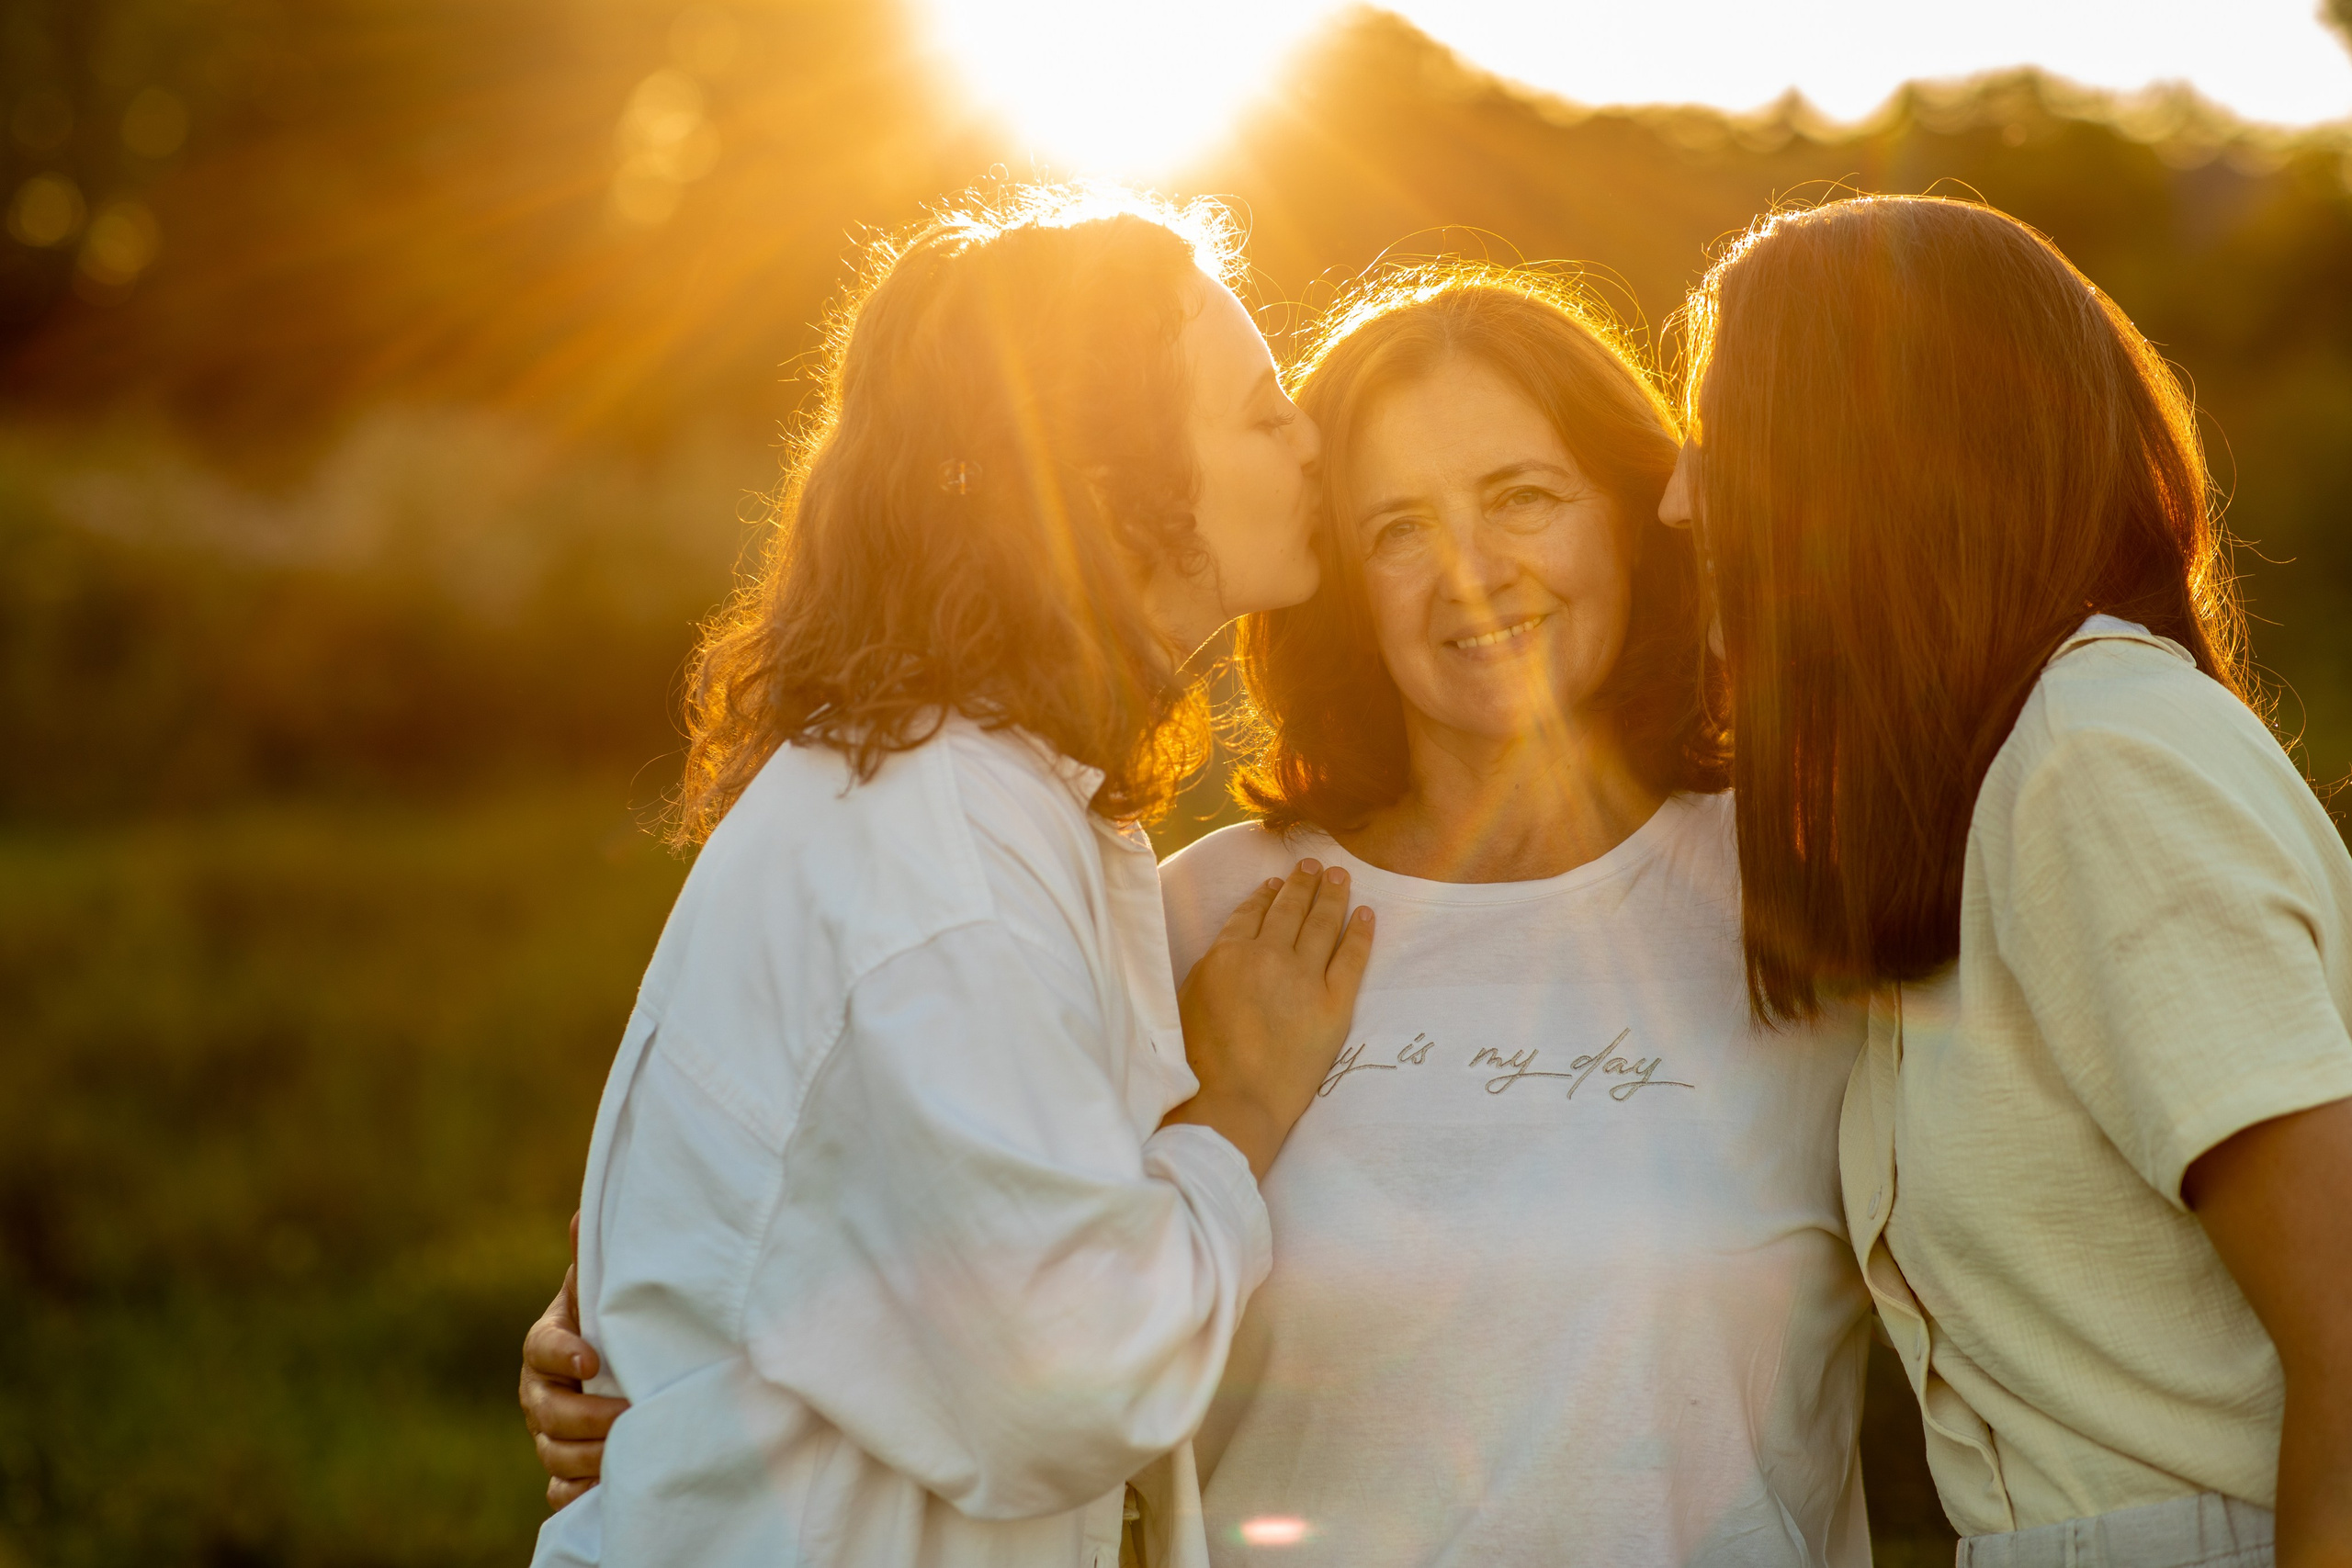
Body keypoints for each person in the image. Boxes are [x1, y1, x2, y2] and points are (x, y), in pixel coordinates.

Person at [527, 265, 1878, 1566]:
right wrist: (647, 1341)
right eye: (1393, 526)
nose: (1469, 571)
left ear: (1644, 514)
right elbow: (962, 1259)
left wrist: (681, 1328)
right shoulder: (1199, 920)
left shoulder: (1815, 892)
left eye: (1524, 497)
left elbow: (2007, 1274)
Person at [526, 184, 1376, 1568]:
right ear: (1104, 494)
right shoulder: (942, 866)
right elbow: (1071, 1378)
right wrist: (1236, 1110)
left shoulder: (1007, 796)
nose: (1310, 440)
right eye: (1260, 409)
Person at [1664, 194, 2352, 1568]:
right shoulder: (2005, 785)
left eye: (1723, 440)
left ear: (1865, 467)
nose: (1679, 497)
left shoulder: (2098, 764)